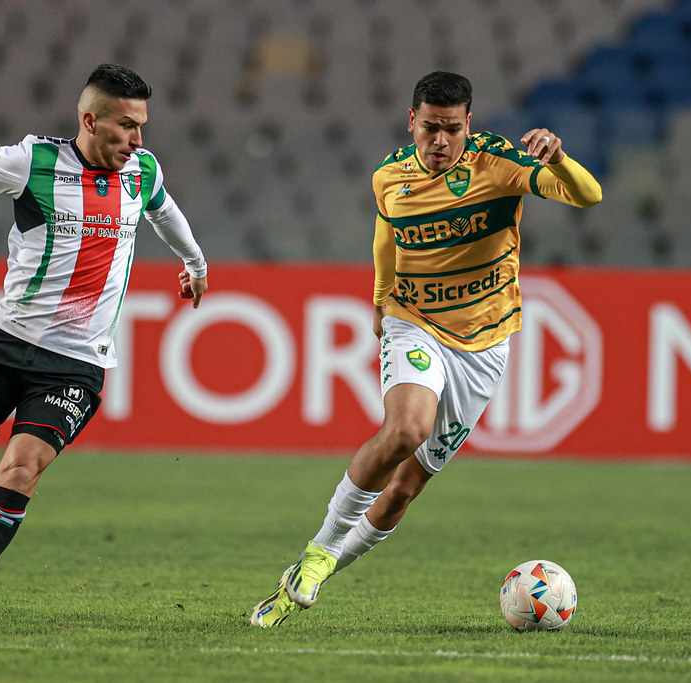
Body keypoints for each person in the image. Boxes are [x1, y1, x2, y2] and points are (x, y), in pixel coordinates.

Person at [250, 71, 602, 627]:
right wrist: (379, 298)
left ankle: (307, 574)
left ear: (469, 125)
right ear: (411, 121)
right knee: (406, 429)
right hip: (414, 321)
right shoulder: (390, 176)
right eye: (430, 129)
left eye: (452, 130)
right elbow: (385, 237)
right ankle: (319, 550)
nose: (440, 142)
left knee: (404, 490)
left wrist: (558, 159)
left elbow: (589, 195)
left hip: (485, 345)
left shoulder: (502, 164)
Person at [0, 63, 209, 628]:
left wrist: (195, 262)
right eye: (127, 126)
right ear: (90, 120)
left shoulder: (142, 169)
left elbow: (164, 210)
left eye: (142, 127)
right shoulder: (32, 161)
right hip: (7, 342)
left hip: (77, 364)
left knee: (19, 469)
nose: (137, 140)